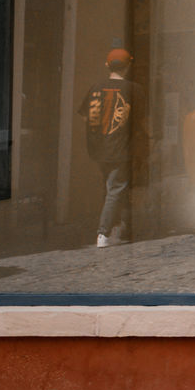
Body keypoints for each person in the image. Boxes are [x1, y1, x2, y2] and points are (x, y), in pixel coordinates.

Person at [78, 47, 142, 248]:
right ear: (129, 65)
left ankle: (117, 227)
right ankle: (103, 233)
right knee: (116, 188)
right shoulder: (134, 89)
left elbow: (85, 117)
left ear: (107, 65)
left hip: (98, 149)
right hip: (120, 147)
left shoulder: (96, 87)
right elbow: (141, 119)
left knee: (110, 188)